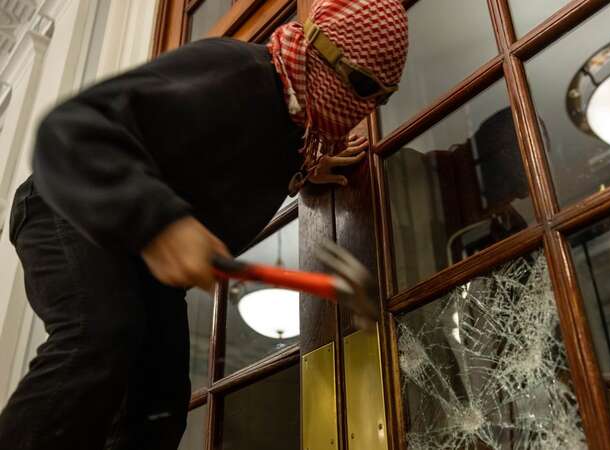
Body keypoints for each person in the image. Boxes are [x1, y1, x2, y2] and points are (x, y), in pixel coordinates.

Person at [0, 0, 408, 448]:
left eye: (382, 98)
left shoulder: (293, 130)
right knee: (100, 335)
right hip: (69, 208)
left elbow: (229, 157)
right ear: (321, 51)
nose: (366, 107)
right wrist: (161, 223)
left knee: (160, 402)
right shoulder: (236, 73)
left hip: (137, 256)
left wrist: (305, 172)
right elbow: (70, 129)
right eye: (364, 86)